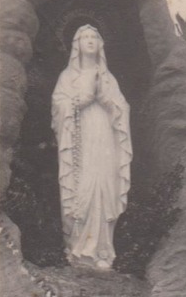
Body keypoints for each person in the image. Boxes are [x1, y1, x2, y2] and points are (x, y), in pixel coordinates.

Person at [51, 25, 132, 270]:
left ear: (100, 44)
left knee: (105, 186)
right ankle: (79, 249)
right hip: (80, 138)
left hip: (105, 138)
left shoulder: (109, 78)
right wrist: (81, 101)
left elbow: (123, 108)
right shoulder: (68, 77)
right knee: (83, 186)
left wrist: (105, 100)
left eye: (94, 36)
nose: (89, 40)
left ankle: (103, 251)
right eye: (84, 37)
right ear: (76, 44)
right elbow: (58, 107)